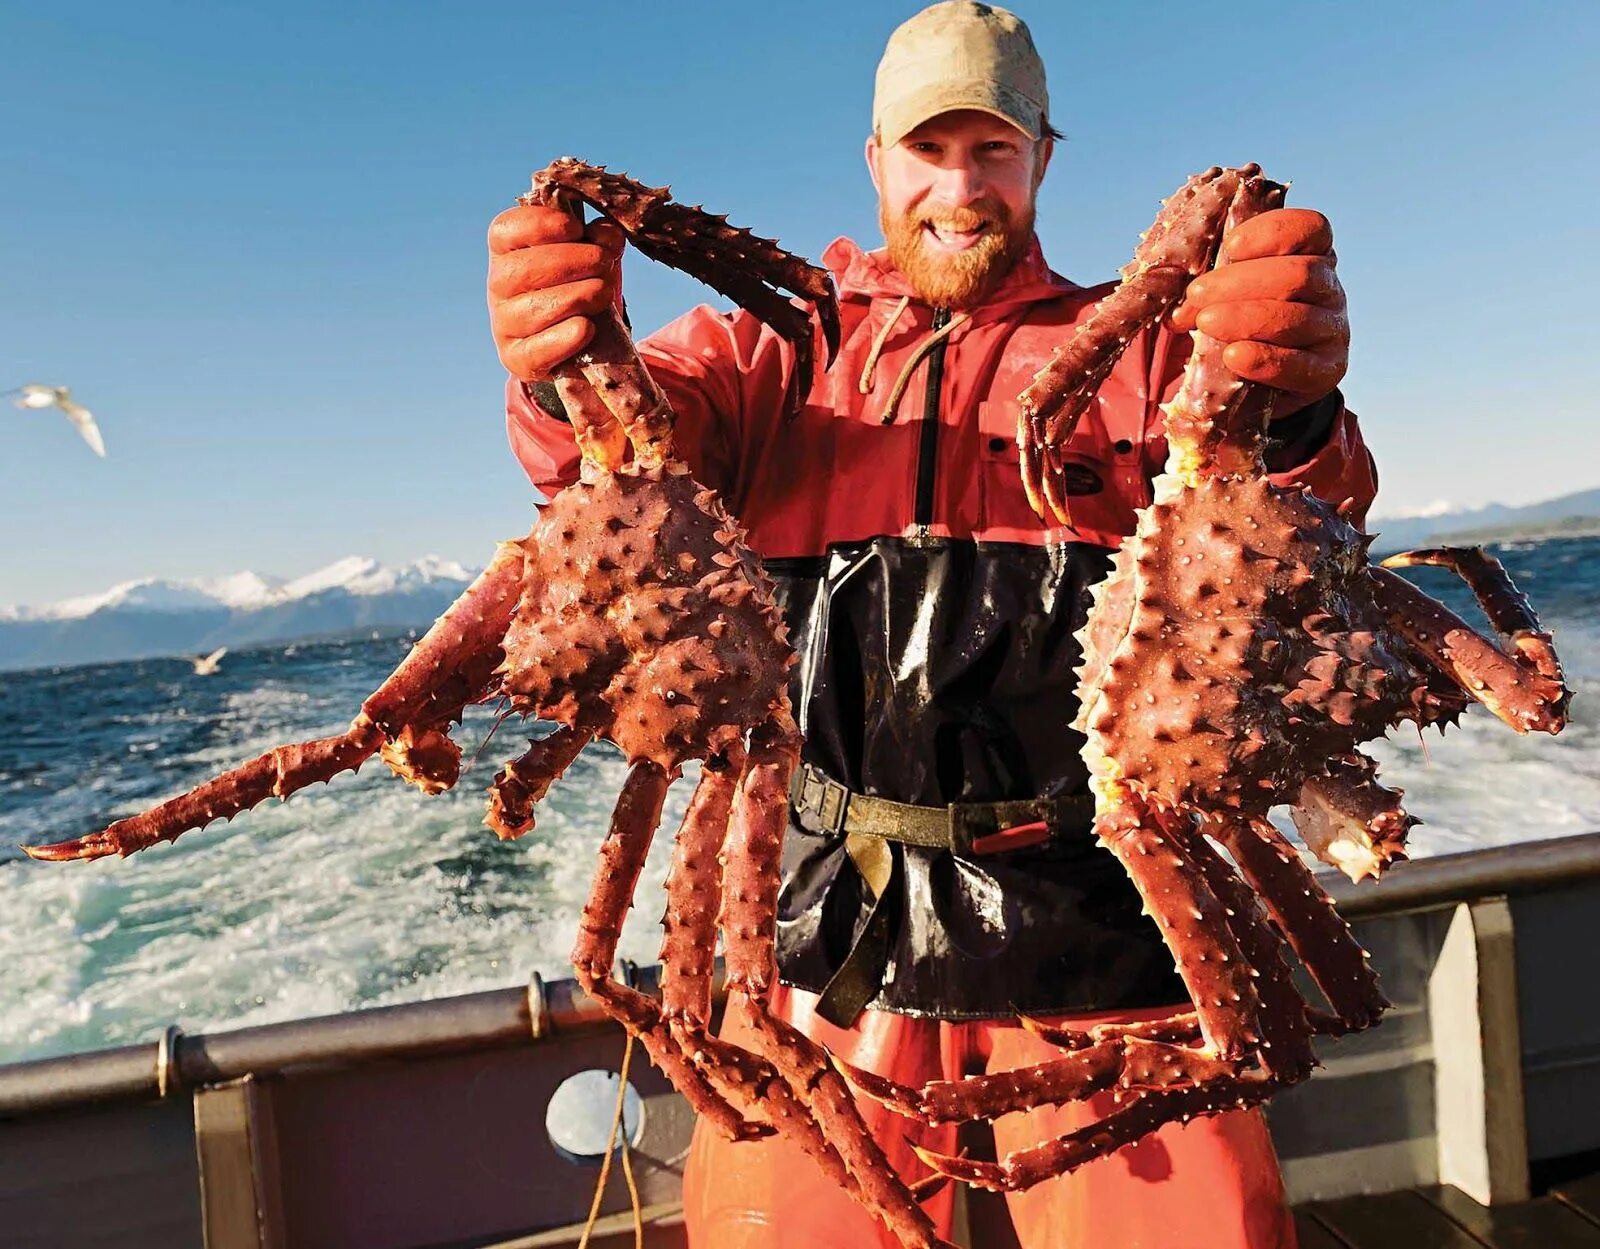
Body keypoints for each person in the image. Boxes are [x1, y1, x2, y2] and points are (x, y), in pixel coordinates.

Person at [487, 4, 1373, 1245]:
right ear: (875, 163)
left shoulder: (1152, 350)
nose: (960, 188)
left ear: (1042, 159)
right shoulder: (762, 356)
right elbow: (622, 460)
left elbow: (1305, 531)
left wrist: (1294, 405)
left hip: (1111, 926)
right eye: (927, 150)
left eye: (993, 151)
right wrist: (555, 369)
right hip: (818, 936)